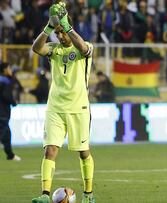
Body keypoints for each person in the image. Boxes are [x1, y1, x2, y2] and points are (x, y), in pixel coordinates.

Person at [31, 2, 95, 203]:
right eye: (57, 34)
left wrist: (67, 26)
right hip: (56, 107)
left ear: (69, 28)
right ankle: (44, 195)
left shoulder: (85, 47)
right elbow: (36, 48)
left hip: (79, 107)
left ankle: (88, 194)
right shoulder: (53, 50)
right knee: (49, 150)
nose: (59, 37)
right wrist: (49, 27)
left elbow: (84, 48)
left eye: (61, 33)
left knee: (84, 152)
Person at [0, 62, 21, 161]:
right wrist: (13, 102)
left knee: (7, 134)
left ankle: (10, 155)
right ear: (4, 70)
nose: (10, 71)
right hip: (2, 112)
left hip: (3, 112)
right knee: (3, 133)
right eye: (9, 68)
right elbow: (6, 95)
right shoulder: (5, 81)